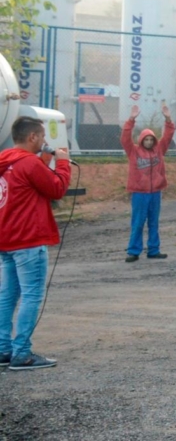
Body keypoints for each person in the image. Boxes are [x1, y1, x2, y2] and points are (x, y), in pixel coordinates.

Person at [0, 116, 72, 371]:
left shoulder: (8, 161)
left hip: (7, 239)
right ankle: (22, 354)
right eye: (42, 137)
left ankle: (4, 349)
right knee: (31, 295)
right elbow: (56, 188)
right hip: (28, 239)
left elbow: (29, 183)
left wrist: (45, 162)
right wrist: (63, 163)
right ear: (32, 137)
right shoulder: (29, 163)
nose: (45, 141)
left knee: (7, 296)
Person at [120, 103, 176, 262]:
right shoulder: (133, 151)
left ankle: (154, 249)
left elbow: (168, 135)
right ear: (142, 140)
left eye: (152, 139)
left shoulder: (159, 150)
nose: (150, 142)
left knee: (153, 222)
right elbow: (125, 138)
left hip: (155, 193)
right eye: (147, 139)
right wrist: (131, 119)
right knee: (138, 222)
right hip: (140, 193)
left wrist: (168, 118)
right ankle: (133, 251)